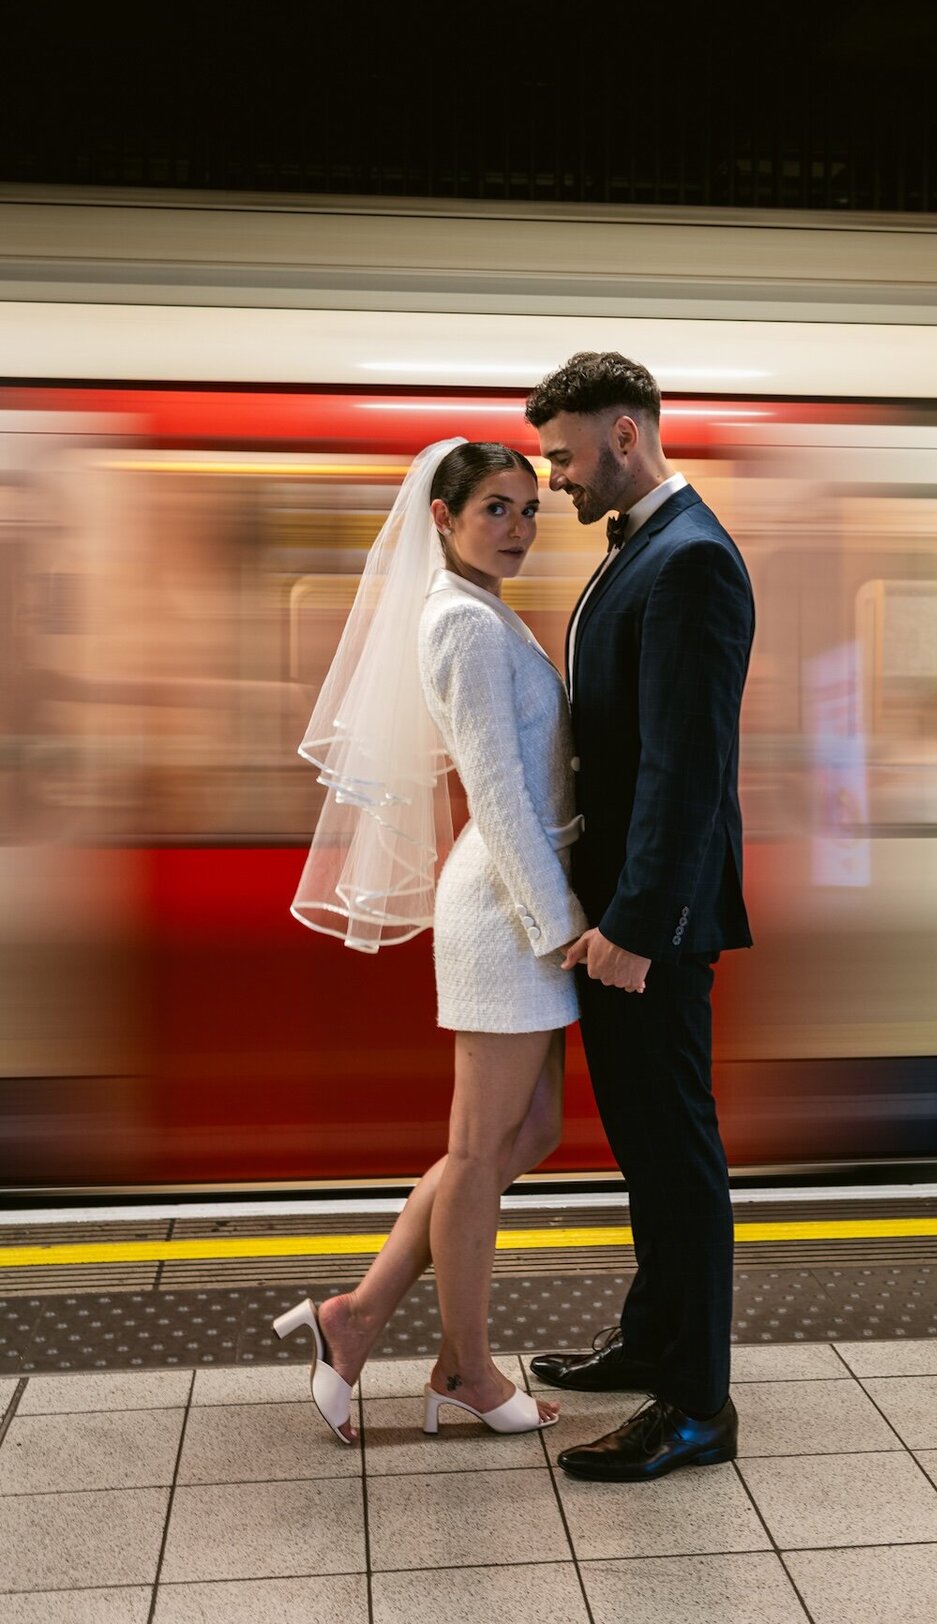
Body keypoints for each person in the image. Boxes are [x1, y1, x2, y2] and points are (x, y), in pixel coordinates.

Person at [275, 439, 587, 1443]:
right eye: (497, 509)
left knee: (519, 1138)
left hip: (522, 903)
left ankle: (355, 1317)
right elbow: (496, 794)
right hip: (506, 913)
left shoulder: (485, 610)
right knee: (476, 1148)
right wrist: (562, 923)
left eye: (530, 511)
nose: (520, 528)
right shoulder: (458, 622)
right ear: (444, 517)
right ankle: (462, 1368)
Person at [526, 351, 756, 1482]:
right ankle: (656, 1339)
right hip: (617, 916)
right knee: (644, 1150)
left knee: (676, 1155)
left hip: (647, 928)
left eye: (564, 456)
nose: (554, 478)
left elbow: (684, 769)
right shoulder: (646, 553)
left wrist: (636, 925)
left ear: (625, 437)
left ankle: (699, 1407)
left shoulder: (693, 561)